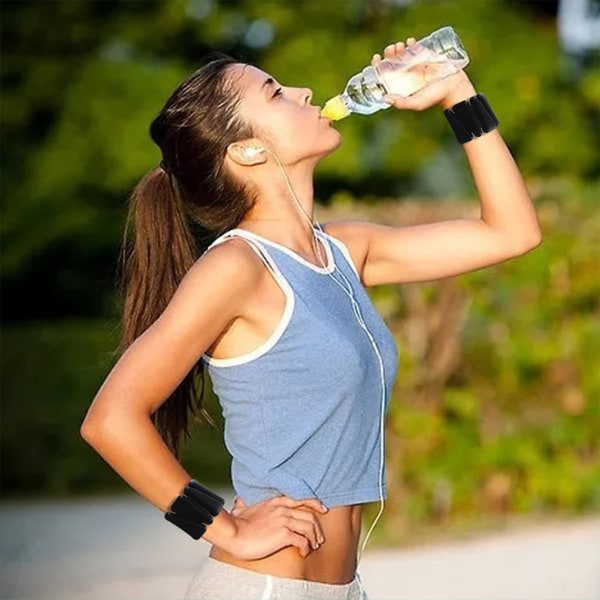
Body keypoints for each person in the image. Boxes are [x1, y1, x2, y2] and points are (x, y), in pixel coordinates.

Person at [80, 37, 542, 600]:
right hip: (268, 586)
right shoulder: (236, 266)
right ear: (248, 151)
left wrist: (457, 94)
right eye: (275, 93)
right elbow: (110, 418)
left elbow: (513, 232)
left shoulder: (344, 251)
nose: (301, 91)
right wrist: (222, 526)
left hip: (343, 588)